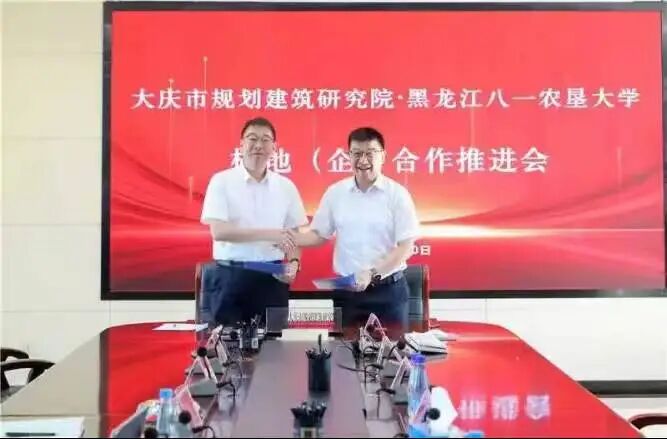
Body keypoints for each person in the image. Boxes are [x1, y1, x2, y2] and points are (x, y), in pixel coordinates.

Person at [281, 127, 420, 329]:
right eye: (357, 153)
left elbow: (405, 247)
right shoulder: (336, 193)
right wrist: (285, 237)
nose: (363, 160)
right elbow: (318, 235)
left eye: (370, 153)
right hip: (347, 294)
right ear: (349, 156)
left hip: (388, 293)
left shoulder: (397, 195)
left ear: (383, 156)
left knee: (391, 349)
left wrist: (372, 273)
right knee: (343, 348)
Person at [200, 117, 307, 326]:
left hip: (272, 278)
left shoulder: (286, 187)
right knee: (226, 341)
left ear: (274, 148)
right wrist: (272, 234)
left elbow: (294, 236)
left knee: (273, 343)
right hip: (230, 277)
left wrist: (294, 263)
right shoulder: (222, 181)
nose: (259, 145)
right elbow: (220, 232)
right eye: (252, 138)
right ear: (241, 145)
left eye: (266, 140)